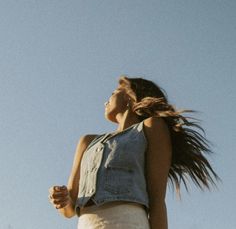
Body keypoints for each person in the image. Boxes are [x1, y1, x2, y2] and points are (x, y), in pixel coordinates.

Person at [49, 76, 219, 229]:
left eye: (114, 92)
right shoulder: (87, 142)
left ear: (130, 96)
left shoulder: (151, 127)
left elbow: (157, 199)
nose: (105, 101)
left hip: (127, 221)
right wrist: (62, 200)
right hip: (86, 224)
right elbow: (69, 209)